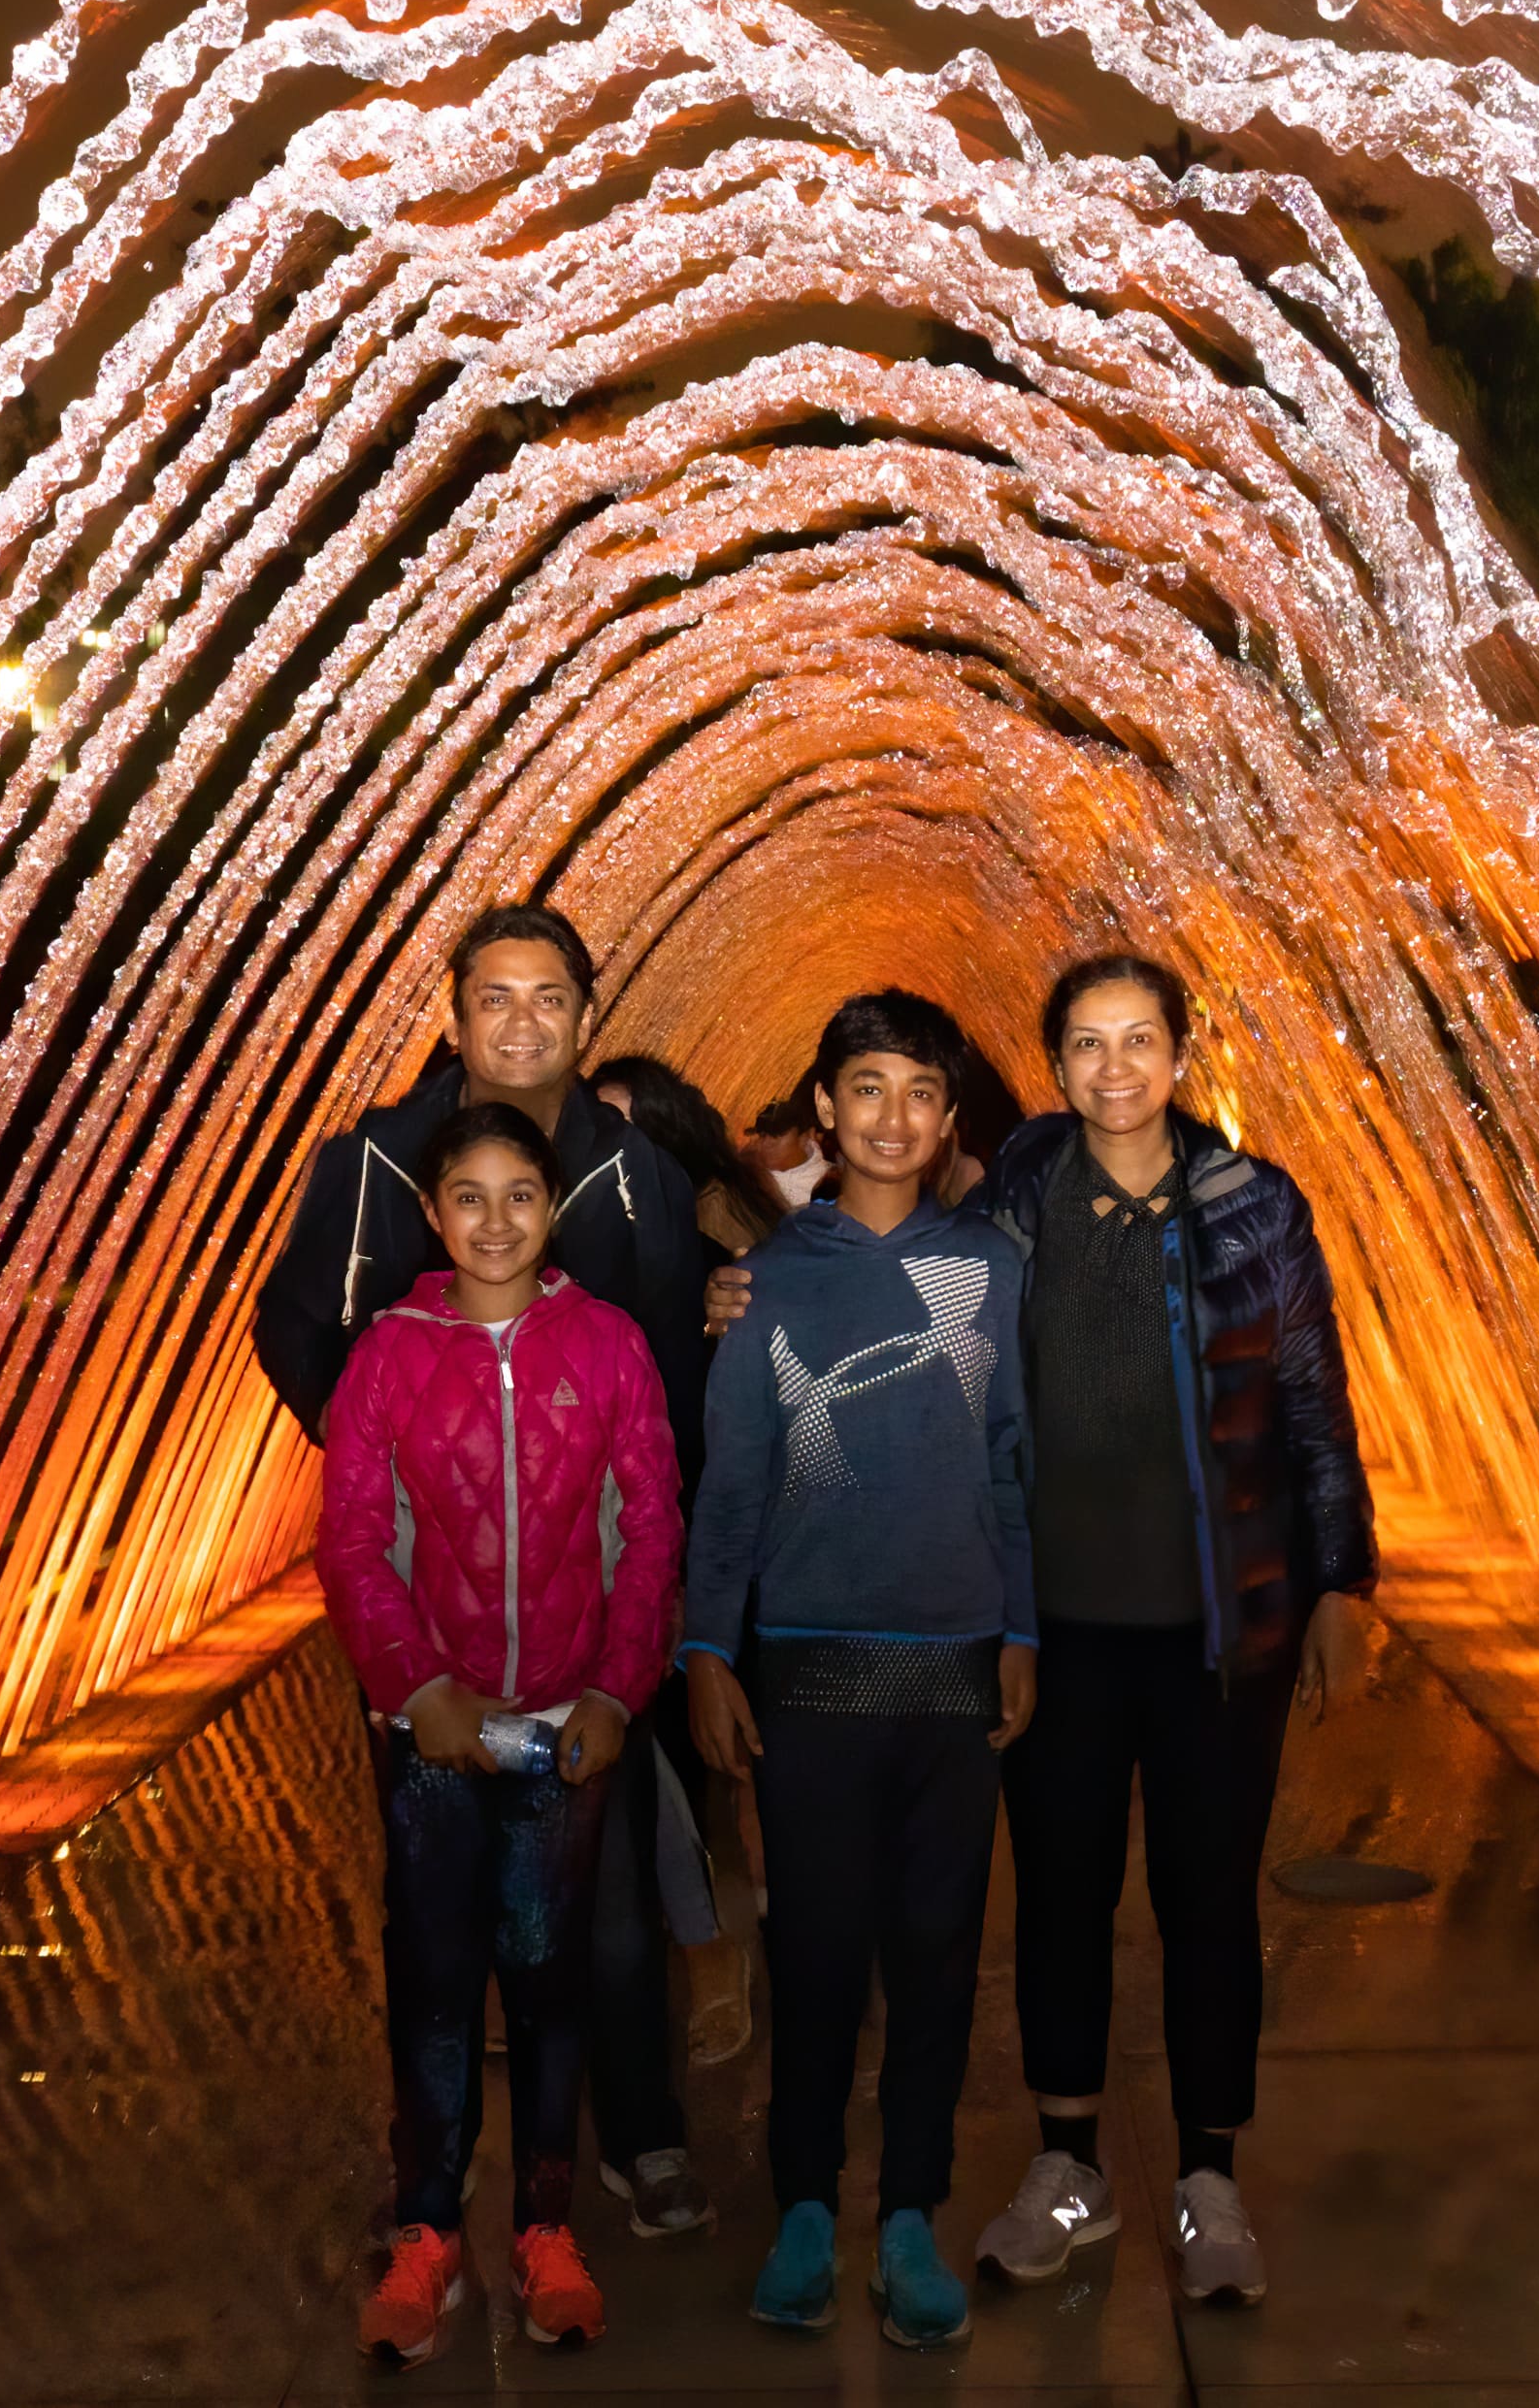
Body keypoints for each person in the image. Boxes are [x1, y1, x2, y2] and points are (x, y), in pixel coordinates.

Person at [252, 903, 722, 2238]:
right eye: (494, 998)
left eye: (551, 997)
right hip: (428, 1612)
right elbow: (293, 1326)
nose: (523, 1022)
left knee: (612, 1884)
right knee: (437, 1911)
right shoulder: (374, 1166)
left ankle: (637, 2137)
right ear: (453, 1018)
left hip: (584, 1609)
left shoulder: (635, 1177)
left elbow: (672, 1388)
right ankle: (438, 2179)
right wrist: (383, 1480)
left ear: (588, 1010)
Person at [966, 952, 1379, 2311]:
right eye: (1086, 1044)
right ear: (1058, 1064)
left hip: (1221, 1632)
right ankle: (1068, 2164)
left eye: (1140, 1040)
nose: (1115, 1069)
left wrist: (1342, 1584)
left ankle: (1210, 2179)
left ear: (1182, 1055)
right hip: (1059, 1630)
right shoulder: (1016, 1205)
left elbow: (1315, 1406)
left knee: (1209, 1903)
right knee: (1064, 1899)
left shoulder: (1253, 1210)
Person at [681, 992, 1036, 2353]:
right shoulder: (768, 1280)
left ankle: (910, 2214)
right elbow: (734, 1487)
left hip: (952, 1661)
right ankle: (807, 2207)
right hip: (810, 1664)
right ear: (822, 1107)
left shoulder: (992, 1271)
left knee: (938, 1954)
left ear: (951, 1121)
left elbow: (1013, 1459)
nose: (892, 1116)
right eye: (866, 1087)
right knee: (814, 1947)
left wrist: (1023, 1634)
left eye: (920, 1093)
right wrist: (709, 1649)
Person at [314, 1104, 682, 2364]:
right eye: (466, 1196)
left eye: (519, 1193)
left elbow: (650, 1534)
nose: (494, 1220)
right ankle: (428, 2234)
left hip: (560, 1733)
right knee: (429, 1980)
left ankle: (544, 2225)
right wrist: (419, 1690)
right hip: (431, 1737)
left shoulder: (611, 1347)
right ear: (432, 1213)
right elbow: (353, 1542)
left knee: (547, 1981)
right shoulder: (389, 1355)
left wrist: (616, 1694)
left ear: (555, 1203)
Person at [595, 1052, 788, 1253]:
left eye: (621, 1126)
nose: (606, 1141)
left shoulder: (709, 1214)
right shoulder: (641, 1203)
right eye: (597, 1126)